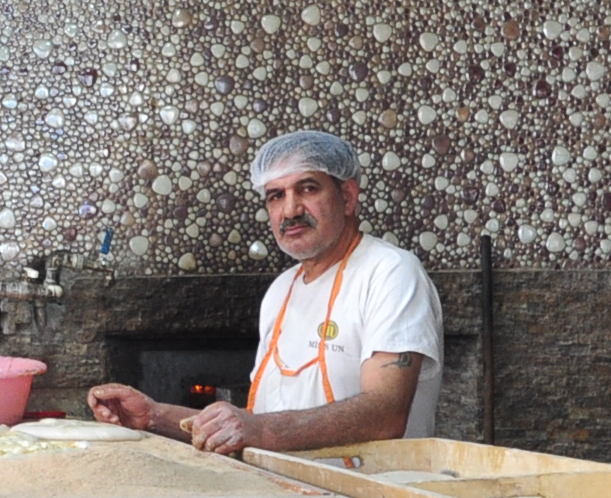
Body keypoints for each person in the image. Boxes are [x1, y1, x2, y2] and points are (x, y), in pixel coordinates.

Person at [88, 129, 443, 458]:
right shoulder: (281, 291)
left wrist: (259, 429)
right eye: (276, 196)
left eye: (308, 189)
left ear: (348, 197)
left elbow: (387, 415)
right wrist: (154, 416)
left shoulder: (390, 272)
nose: (290, 210)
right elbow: (257, 424)